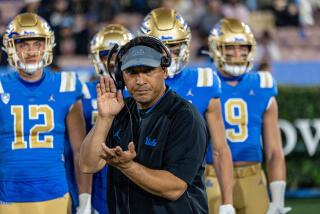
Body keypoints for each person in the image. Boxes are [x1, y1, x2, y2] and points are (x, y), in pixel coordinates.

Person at [79, 35, 209, 214]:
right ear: (120, 76)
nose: (140, 81)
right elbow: (88, 164)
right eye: (132, 72)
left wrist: (127, 166)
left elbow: (174, 187)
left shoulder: (185, 117)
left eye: (148, 71)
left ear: (164, 71)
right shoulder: (119, 110)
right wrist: (104, 118)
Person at [140, 7, 235, 214]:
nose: (169, 55)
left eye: (174, 47)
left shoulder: (204, 81)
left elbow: (220, 148)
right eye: (161, 48)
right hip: (143, 186)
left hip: (190, 188)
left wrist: (227, 202)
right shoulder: (132, 83)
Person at [0, 13, 91, 214]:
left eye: (37, 44)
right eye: (23, 44)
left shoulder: (66, 85)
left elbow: (80, 151)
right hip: (8, 194)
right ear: (11, 47)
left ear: (47, 45)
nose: (31, 51)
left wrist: (85, 196)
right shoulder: (1, 87)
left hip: (54, 193)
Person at [208, 18, 291, 214]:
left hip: (253, 175)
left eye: (242, 47)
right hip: (212, 175)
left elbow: (274, 151)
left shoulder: (262, 84)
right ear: (215, 48)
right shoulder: (204, 82)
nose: (237, 53)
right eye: (230, 47)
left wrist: (278, 198)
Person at [83, 24, 133, 214]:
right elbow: (78, 150)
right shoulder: (84, 92)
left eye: (120, 55)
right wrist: (84, 195)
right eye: (106, 55)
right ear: (96, 58)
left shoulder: (142, 90)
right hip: (99, 178)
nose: (113, 62)